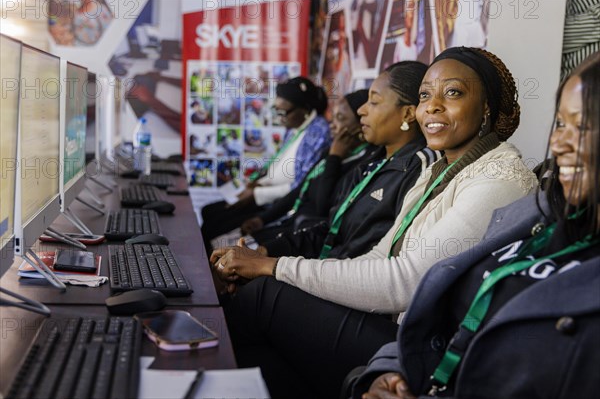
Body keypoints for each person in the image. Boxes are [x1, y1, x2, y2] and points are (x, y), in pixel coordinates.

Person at [211, 48, 537, 398]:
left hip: (420, 352)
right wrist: (269, 266)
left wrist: (272, 267)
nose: (433, 106)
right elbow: (379, 258)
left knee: (263, 295)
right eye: (426, 94)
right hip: (394, 332)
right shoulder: (438, 169)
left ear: (487, 105)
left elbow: (404, 283)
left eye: (453, 92)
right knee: (261, 357)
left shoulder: (499, 178)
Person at [355, 51, 600, 399]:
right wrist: (392, 370)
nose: (558, 143)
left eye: (584, 126)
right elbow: (443, 306)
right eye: (560, 124)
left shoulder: (504, 181)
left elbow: (404, 281)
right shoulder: (539, 216)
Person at [250, 62, 439, 260]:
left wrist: (278, 267)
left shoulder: (421, 169)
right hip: (322, 266)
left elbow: (374, 264)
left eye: (373, 102)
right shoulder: (373, 162)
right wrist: (268, 251)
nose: (362, 111)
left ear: (408, 114)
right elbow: (332, 230)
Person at [201, 77, 331, 254]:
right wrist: (257, 183)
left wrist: (256, 194)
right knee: (209, 212)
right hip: (266, 195)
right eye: (276, 110)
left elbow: (300, 186)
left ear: (305, 109)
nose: (279, 117)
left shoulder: (319, 133)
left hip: (280, 206)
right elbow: (278, 165)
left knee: (213, 227)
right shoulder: (297, 125)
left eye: (283, 112)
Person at [240, 89, 374, 245]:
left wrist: (334, 158)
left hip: (308, 237)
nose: (332, 125)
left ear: (361, 125)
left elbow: (322, 206)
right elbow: (302, 188)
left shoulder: (360, 162)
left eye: (340, 118)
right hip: (291, 223)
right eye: (333, 117)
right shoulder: (332, 151)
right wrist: (262, 219)